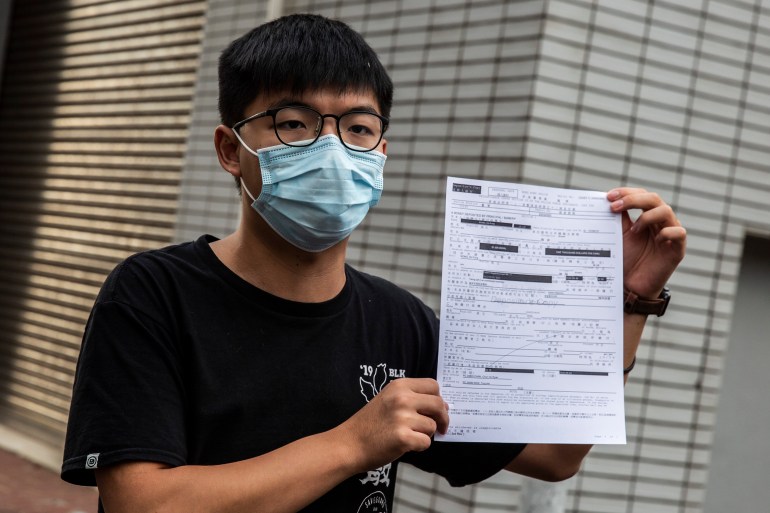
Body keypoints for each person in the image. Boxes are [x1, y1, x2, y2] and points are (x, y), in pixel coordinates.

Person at [61, 13, 687, 513]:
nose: (331, 148)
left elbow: (553, 454)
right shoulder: (153, 294)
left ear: (381, 151)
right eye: (294, 123)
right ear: (231, 148)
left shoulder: (397, 320)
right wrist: (353, 444)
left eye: (358, 128)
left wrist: (625, 303)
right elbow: (142, 504)